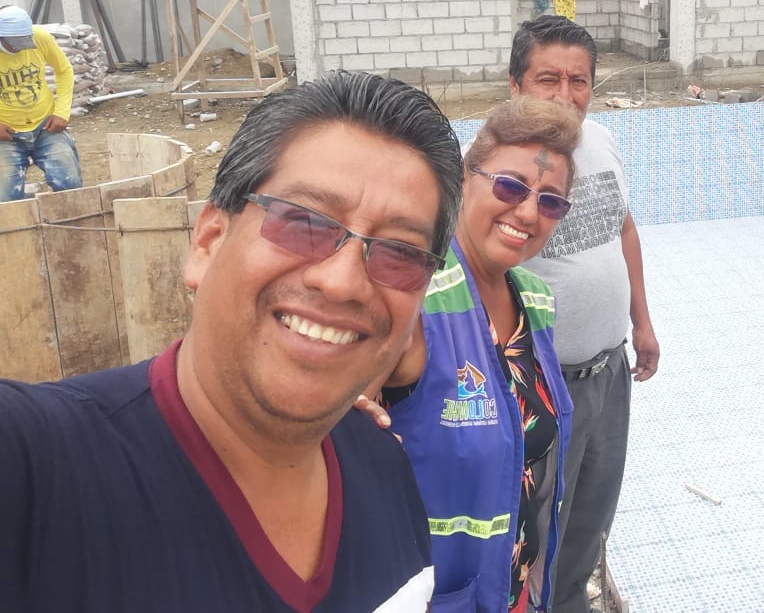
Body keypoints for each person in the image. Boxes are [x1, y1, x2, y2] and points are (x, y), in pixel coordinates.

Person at [0, 71, 463, 612]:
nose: (341, 281)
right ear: (208, 241)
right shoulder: (37, 469)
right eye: (303, 222)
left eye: (400, 253)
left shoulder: (385, 469)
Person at [381, 97, 581, 613]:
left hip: (513, 588)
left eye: (551, 201)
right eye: (510, 186)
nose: (528, 212)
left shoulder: (535, 302)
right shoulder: (413, 301)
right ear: (465, 179)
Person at [507, 15, 661, 613]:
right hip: (542, 383)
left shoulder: (600, 140)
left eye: (579, 80)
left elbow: (624, 228)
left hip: (609, 370)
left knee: (594, 509)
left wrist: (641, 322)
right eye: (548, 79)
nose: (566, 95)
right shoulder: (494, 164)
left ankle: (571, 600)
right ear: (516, 85)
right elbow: (472, 270)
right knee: (536, 518)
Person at [0, 5, 83, 201]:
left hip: (45, 126)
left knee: (71, 187)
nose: (22, 47)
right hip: (6, 134)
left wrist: (62, 112)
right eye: (15, 43)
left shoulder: (40, 37)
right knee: (6, 200)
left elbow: (64, 70)